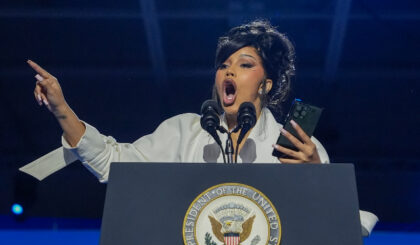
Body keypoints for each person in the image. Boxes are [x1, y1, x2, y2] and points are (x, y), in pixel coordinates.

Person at [21, 20, 377, 234]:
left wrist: (319, 179)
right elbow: (114, 163)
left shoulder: (299, 146)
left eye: (245, 64)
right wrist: (62, 109)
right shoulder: (185, 132)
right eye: (223, 65)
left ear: (266, 84)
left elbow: (335, 231)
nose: (229, 71)